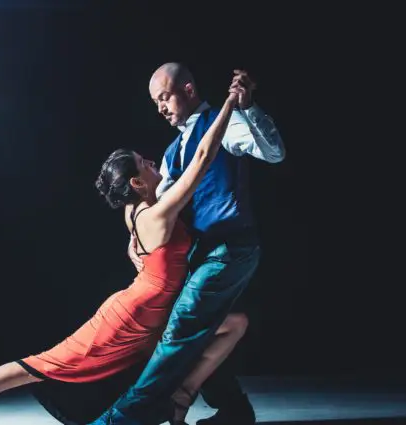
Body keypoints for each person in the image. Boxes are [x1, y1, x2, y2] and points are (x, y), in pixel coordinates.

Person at [0, 86, 245, 425]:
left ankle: (181, 397)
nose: (154, 162)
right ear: (137, 182)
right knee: (40, 365)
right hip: (130, 319)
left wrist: (134, 250)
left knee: (234, 324)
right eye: (146, 163)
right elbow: (203, 157)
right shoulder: (158, 215)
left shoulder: (135, 209)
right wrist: (229, 104)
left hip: (154, 311)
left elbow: (138, 244)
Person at [89, 64, 286, 425]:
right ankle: (233, 410)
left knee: (181, 329)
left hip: (229, 246)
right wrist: (134, 237)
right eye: (155, 102)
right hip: (200, 253)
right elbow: (155, 202)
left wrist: (249, 107)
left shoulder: (223, 124)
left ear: (189, 89)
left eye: (164, 97)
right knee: (195, 330)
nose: (161, 107)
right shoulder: (171, 151)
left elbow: (273, 153)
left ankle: (122, 419)